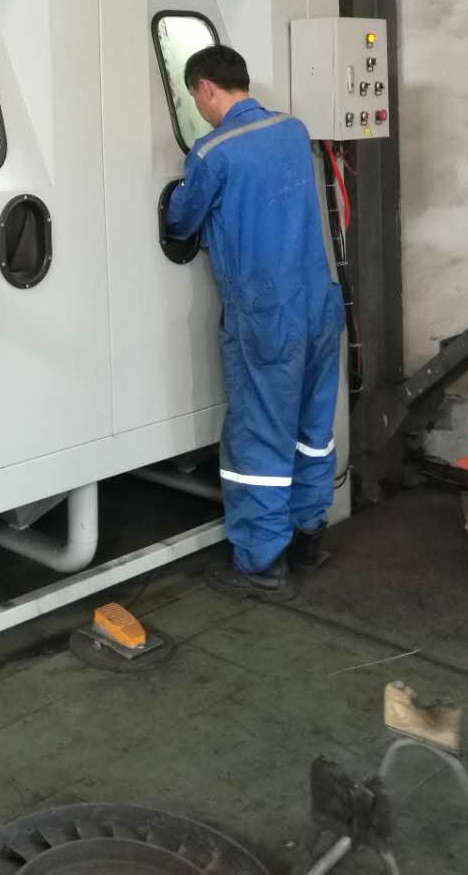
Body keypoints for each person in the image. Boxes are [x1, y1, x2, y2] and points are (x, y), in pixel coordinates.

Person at [162, 44, 344, 602]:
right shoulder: (293, 129)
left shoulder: (212, 152)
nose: (198, 108)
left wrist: (177, 206)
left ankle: (262, 563)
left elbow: (182, 221)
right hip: (319, 304)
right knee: (312, 428)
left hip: (266, 315)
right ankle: (310, 535)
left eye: (195, 98)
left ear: (205, 89)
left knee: (259, 437)